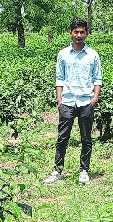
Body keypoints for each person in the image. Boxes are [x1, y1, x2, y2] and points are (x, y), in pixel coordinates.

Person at [44, 18, 102, 185]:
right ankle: (57, 170)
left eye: (82, 32)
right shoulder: (63, 54)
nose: (79, 35)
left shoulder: (93, 55)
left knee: (86, 138)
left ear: (86, 33)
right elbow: (59, 78)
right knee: (62, 137)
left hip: (86, 102)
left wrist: (95, 98)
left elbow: (97, 78)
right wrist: (59, 99)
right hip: (67, 102)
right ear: (71, 33)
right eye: (76, 32)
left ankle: (84, 170)